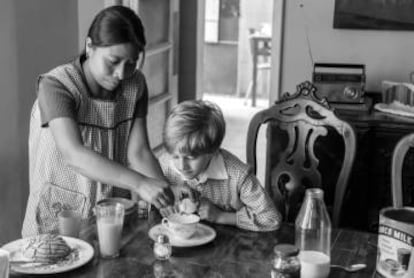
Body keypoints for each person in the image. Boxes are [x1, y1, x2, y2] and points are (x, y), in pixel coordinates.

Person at [22, 6, 174, 237]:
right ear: (90, 46)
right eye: (113, 61)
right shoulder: (57, 86)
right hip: (60, 212)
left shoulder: (135, 85)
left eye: (131, 63)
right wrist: (141, 183)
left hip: (111, 211)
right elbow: (74, 155)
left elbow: (139, 153)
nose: (121, 74)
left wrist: (167, 195)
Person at [158, 100, 281, 231]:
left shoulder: (237, 175)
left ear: (212, 151)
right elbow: (142, 205)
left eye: (191, 157)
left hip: (231, 245)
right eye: (175, 156)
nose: (181, 166)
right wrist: (165, 199)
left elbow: (271, 219)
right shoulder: (165, 165)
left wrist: (221, 216)